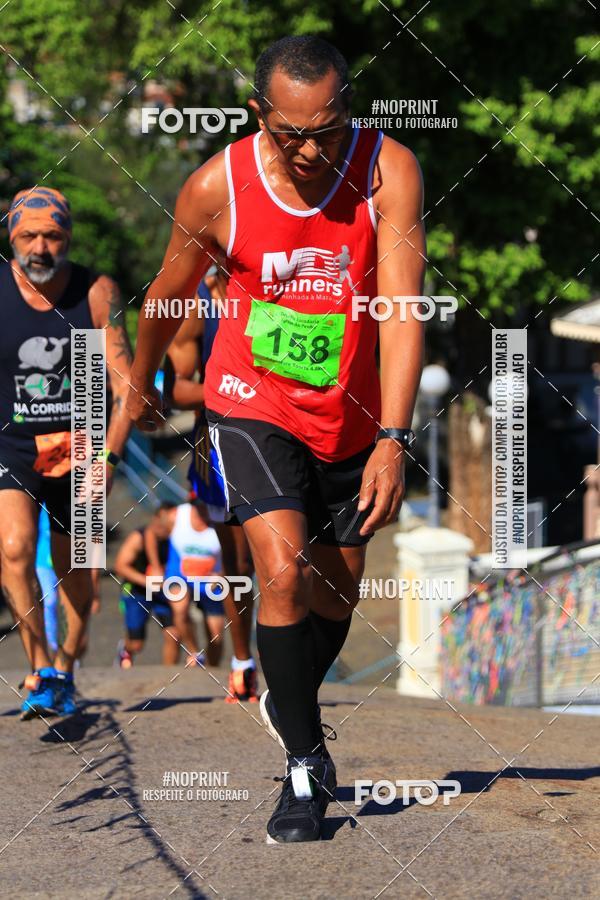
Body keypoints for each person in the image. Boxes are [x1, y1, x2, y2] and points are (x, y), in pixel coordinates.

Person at [127, 35, 425, 843]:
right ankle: (304, 766)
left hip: (353, 414)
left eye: (326, 132)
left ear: (348, 112)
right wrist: (142, 382)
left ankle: (288, 694)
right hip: (249, 400)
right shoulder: (215, 186)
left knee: (337, 594)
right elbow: (167, 293)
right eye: (291, 133)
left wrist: (394, 437)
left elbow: (402, 312)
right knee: (283, 574)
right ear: (259, 113)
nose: (309, 151)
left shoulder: (388, 170)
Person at [0, 186, 133, 718]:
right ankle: (40, 666)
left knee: (78, 567)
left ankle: (66, 667)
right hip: (11, 442)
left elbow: (124, 389)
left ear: (68, 237)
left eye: (52, 236)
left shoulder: (95, 291)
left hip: (81, 443)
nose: (40, 247)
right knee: (14, 549)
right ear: (12, 237)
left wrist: (108, 460)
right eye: (29, 236)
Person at [164, 261, 258, 701]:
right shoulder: (195, 302)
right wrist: (238, 392)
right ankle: (243, 662)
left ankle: (300, 669)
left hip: (296, 432)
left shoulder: (293, 281)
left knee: (297, 561)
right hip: (220, 446)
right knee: (239, 564)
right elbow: (176, 389)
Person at [162, 500, 226, 667]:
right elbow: (151, 533)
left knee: (216, 636)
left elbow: (237, 555)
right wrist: (155, 565)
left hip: (211, 581)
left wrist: (221, 574)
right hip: (179, 577)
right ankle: (195, 653)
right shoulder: (176, 515)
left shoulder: (223, 518)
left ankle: (211, 671)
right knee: (180, 607)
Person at [114, 503, 179, 667]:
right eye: (163, 522)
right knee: (137, 644)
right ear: (155, 518)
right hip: (137, 591)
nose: (165, 527)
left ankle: (169, 676)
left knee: (173, 635)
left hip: (162, 592)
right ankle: (126, 648)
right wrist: (146, 581)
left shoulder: (175, 539)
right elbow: (120, 566)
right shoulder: (138, 538)